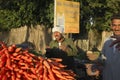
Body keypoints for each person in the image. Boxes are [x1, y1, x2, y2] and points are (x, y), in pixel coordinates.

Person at [101, 13, 120, 80]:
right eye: (114, 25)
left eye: (119, 25)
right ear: (111, 26)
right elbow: (103, 58)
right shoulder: (107, 41)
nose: (117, 28)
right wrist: (98, 64)